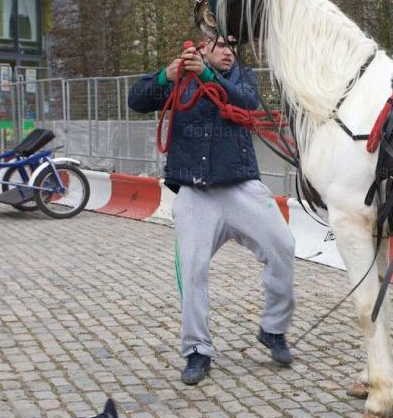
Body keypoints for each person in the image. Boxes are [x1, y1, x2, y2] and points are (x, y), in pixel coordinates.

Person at [127, 37, 296, 385]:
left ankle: (273, 329)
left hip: (241, 186)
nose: (227, 50)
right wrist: (164, 77)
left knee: (284, 247)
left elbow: (247, 102)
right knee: (192, 271)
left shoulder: (242, 78)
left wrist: (207, 75)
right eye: (219, 44)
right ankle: (197, 351)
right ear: (201, 48)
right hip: (194, 191)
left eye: (231, 45)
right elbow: (136, 99)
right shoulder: (180, 79)